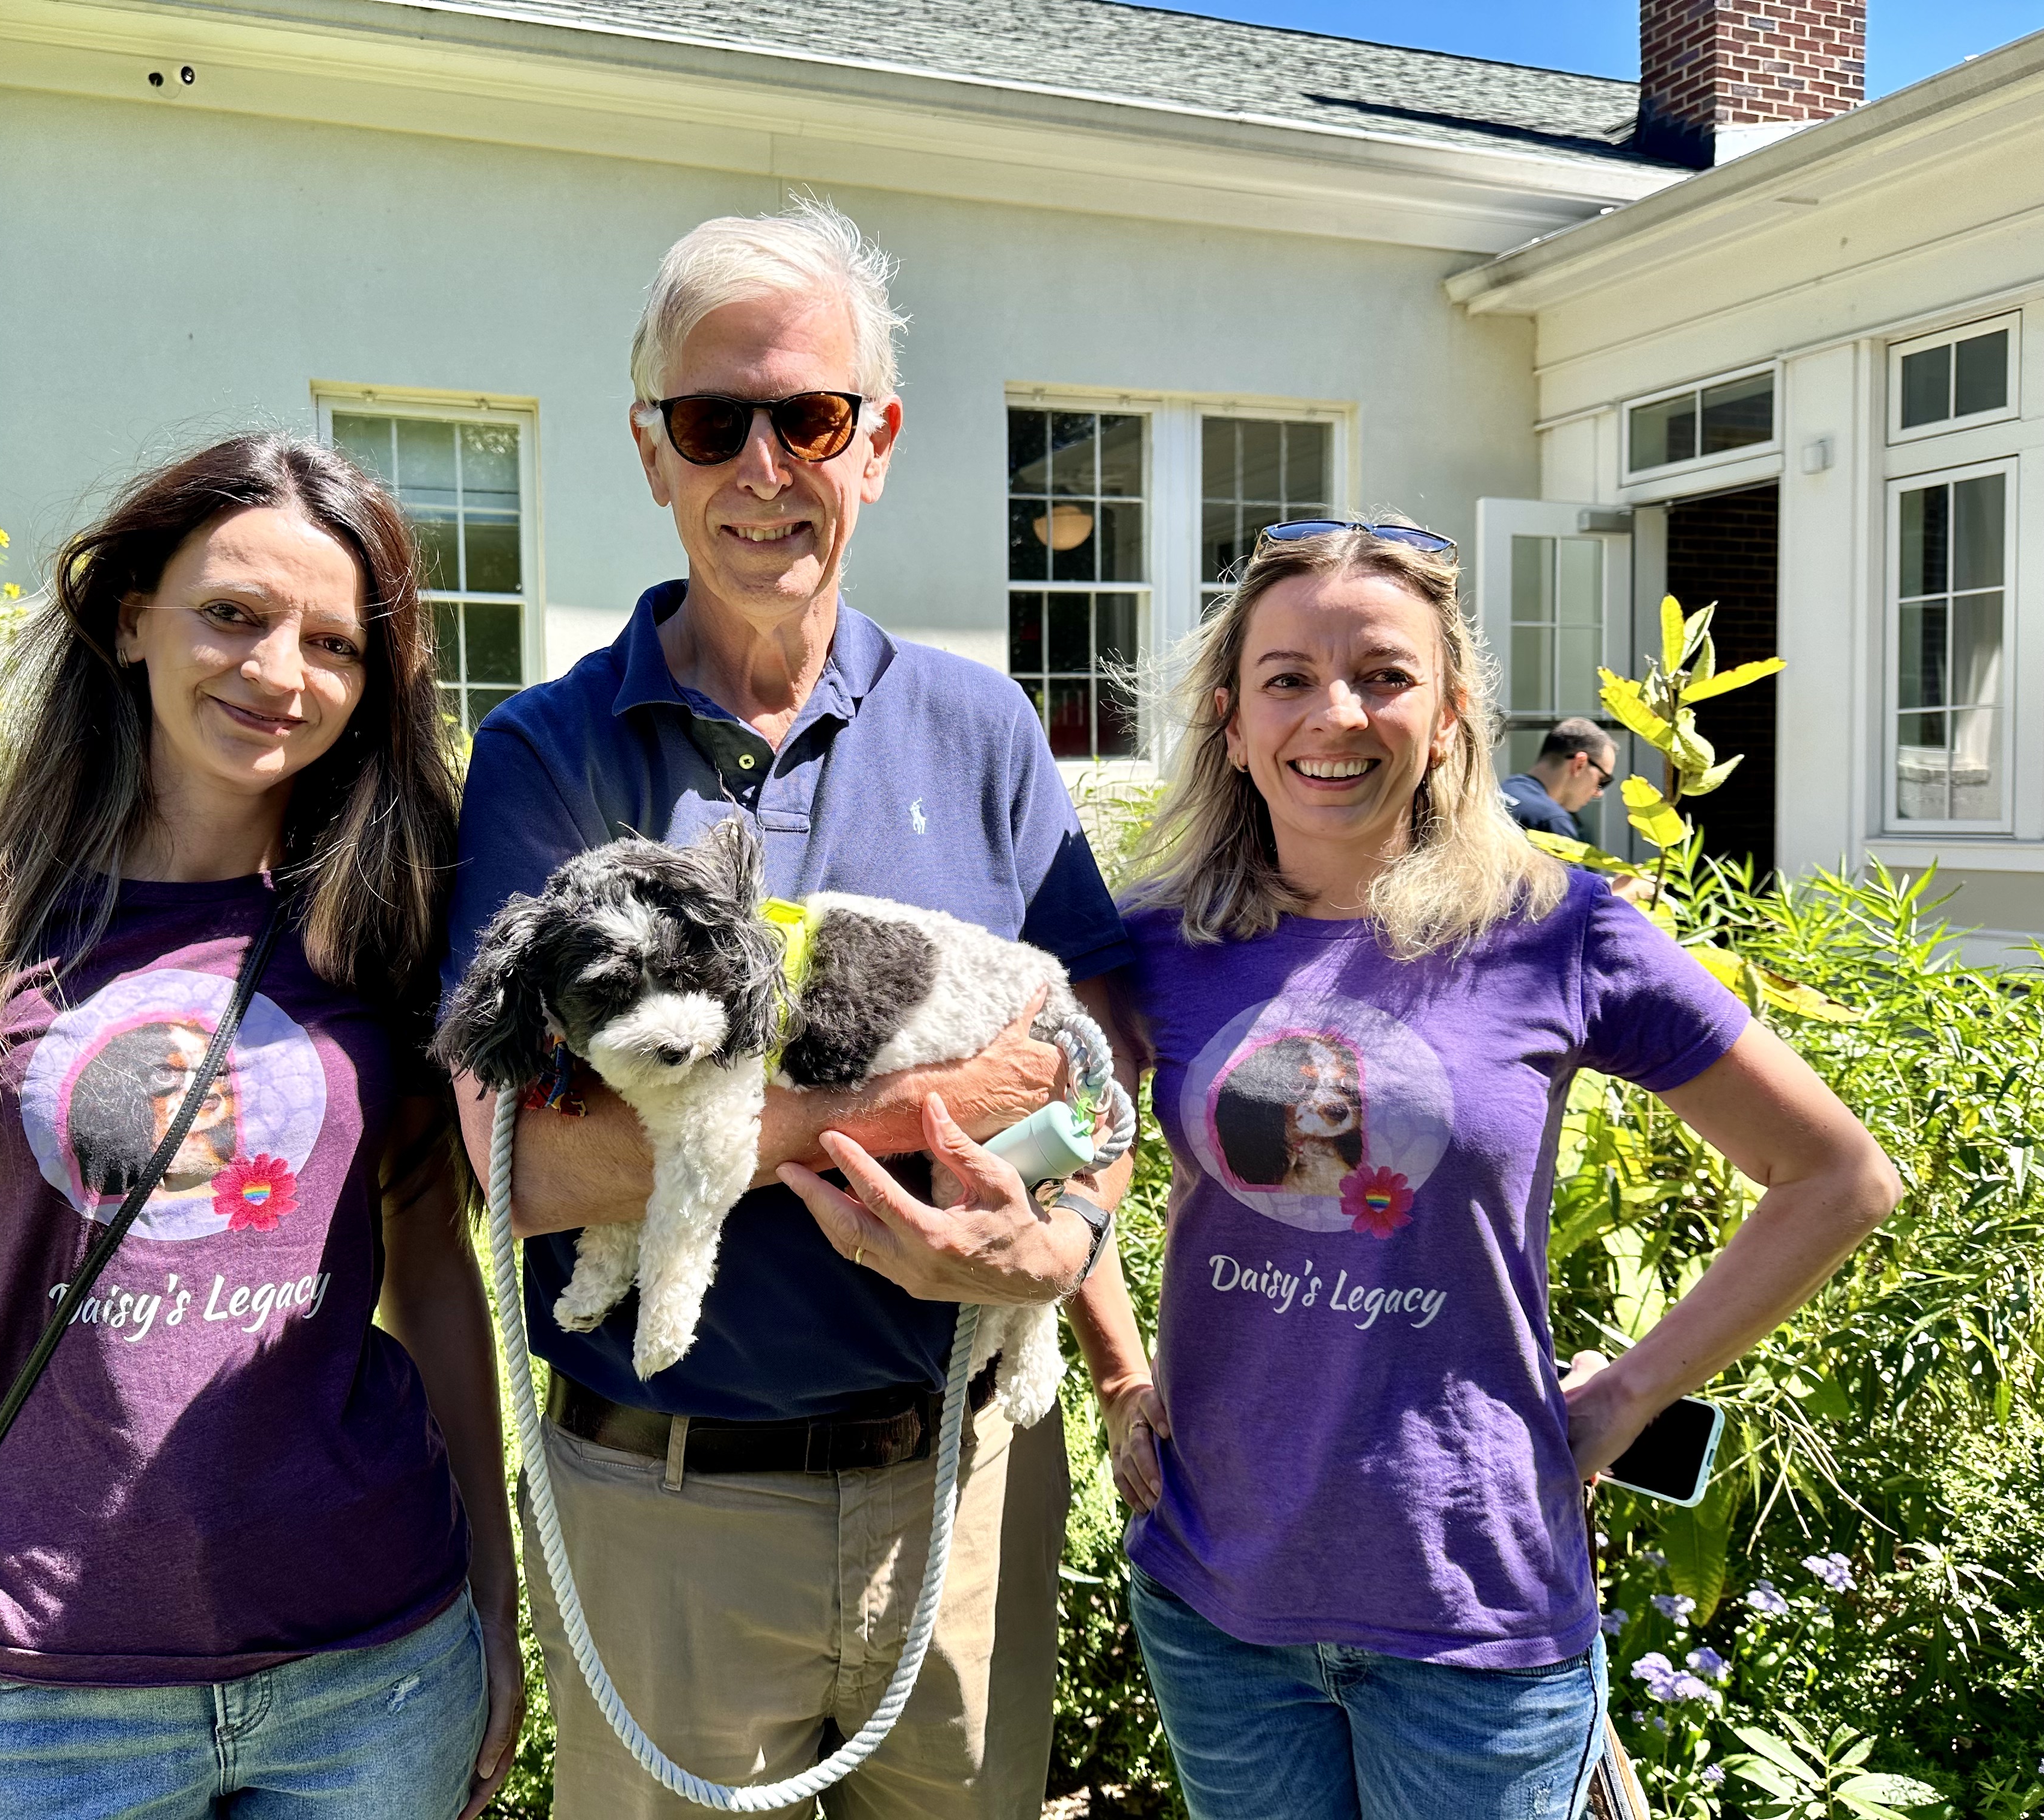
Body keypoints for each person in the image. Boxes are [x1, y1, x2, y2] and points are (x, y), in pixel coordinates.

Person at [441, 198, 1141, 1818]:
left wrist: (1066, 1243)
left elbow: (1099, 1076)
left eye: (810, 417)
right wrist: (923, 1109)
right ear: (652, 453)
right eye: (712, 422)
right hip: (663, 1511)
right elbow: (517, 1163)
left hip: (966, 1489)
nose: (763, 466)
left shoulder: (982, 729)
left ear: (875, 442)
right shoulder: (551, 755)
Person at [1075, 522, 1900, 1819]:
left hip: (1474, 1612)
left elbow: (1836, 1176)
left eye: (1384, 676)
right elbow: (1063, 1170)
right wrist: (1119, 1371)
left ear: (1451, 712)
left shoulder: (1558, 934)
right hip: (1216, 1600)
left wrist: (1626, 1396)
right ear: (1229, 721)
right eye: (1288, 678)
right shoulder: (1150, 944)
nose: (1335, 714)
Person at [0, 435, 524, 1820]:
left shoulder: (390, 923)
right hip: (49, 1694)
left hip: (376, 1675)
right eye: (234, 614)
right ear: (133, 618)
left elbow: (436, 1276)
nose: (280, 672)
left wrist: (498, 1611)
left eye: (334, 643)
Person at [1500, 716, 1617, 838]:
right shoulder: (1551, 822)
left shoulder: (1504, 788)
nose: (1599, 793)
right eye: (1603, 780)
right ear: (1580, 764)